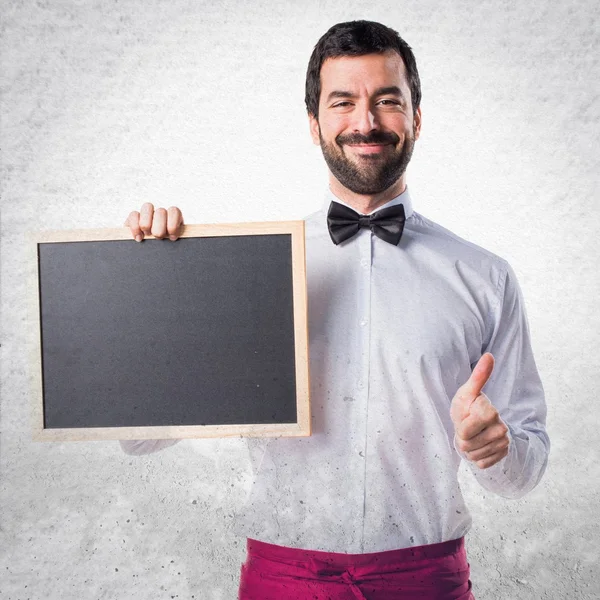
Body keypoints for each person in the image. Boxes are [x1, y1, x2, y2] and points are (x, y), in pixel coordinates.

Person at [121, 20, 549, 600]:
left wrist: (496, 451)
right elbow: (138, 441)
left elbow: (523, 472)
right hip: (283, 578)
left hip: (427, 580)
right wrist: (151, 290)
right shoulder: (248, 272)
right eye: (343, 101)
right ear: (314, 123)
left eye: (387, 101)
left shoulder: (485, 277)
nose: (366, 122)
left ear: (416, 117)